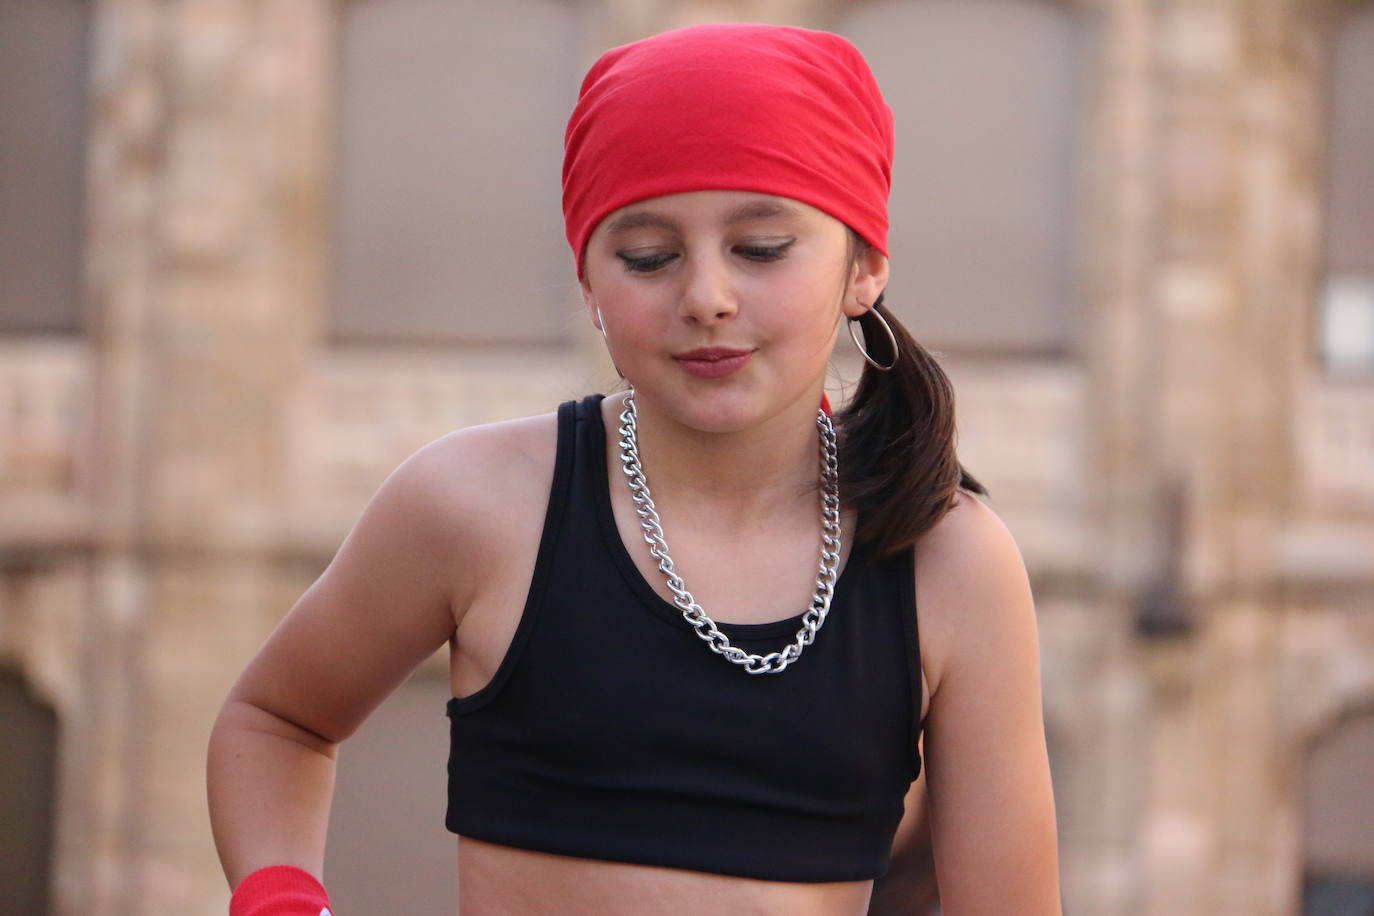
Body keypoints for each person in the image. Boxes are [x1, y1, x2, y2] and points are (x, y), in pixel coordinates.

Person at [207, 21, 1061, 916]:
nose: (705, 298)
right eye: (648, 257)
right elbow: (276, 721)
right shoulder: (476, 506)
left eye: (761, 248)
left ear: (864, 268)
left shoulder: (949, 562)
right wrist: (280, 900)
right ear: (588, 283)